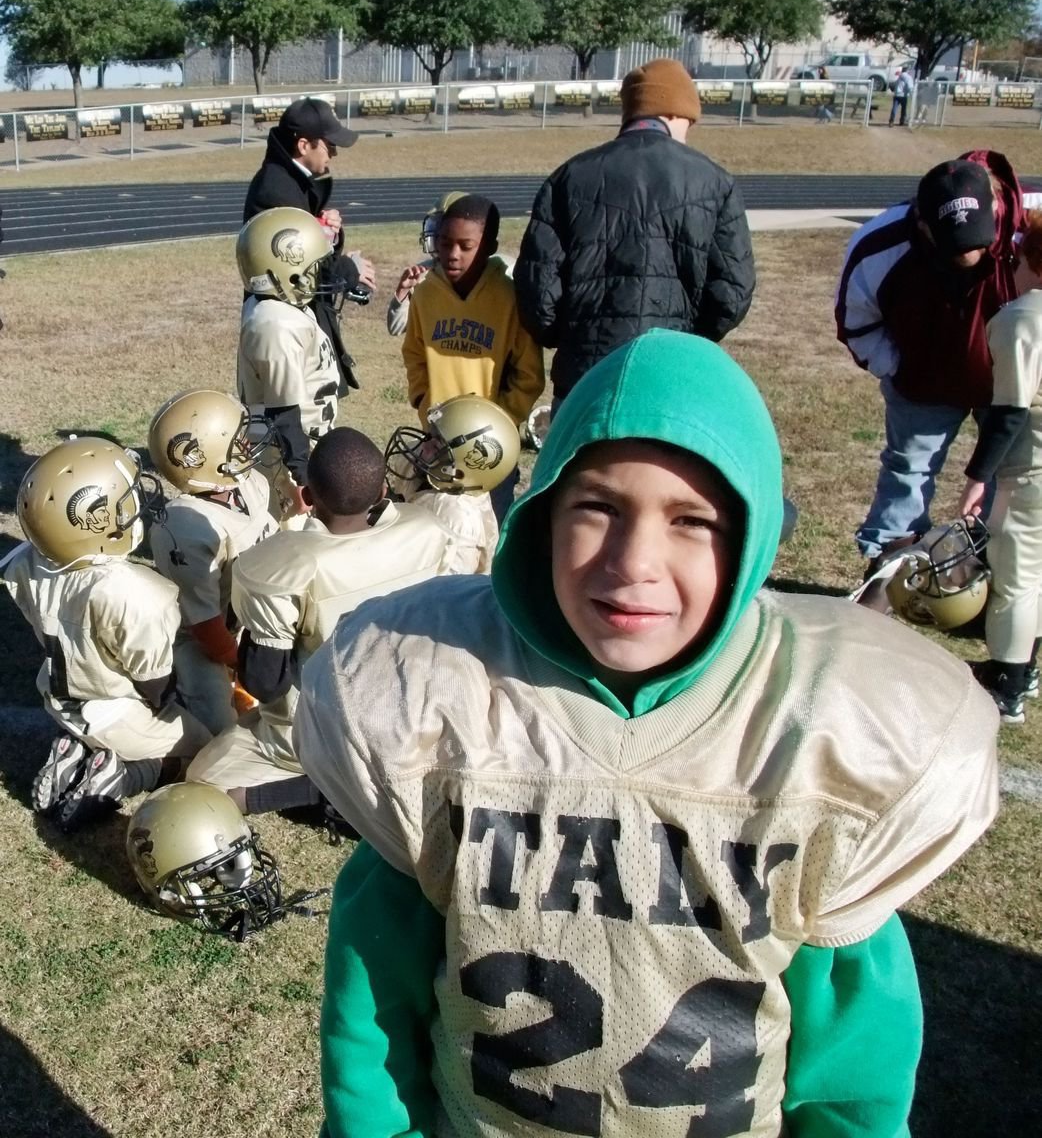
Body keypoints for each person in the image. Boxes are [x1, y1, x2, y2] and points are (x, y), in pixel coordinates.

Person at [295, 328, 998, 1138]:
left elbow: (851, 1068)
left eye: (691, 521)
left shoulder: (818, 742)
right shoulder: (443, 706)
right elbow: (374, 997)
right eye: (597, 506)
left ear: (752, 537)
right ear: (543, 512)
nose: (635, 562)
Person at [185, 427, 456, 816]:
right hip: (414, 712)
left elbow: (265, 682)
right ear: (382, 493)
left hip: (325, 732)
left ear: (308, 498)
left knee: (205, 778)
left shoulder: (281, 564)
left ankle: (317, 792)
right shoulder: (427, 530)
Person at [514, 57, 755, 406]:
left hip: (584, 376)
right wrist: (686, 339)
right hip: (671, 373)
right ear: (674, 113)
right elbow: (731, 294)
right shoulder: (715, 182)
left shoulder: (569, 177)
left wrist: (569, 337)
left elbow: (537, 294)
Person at [2, 437, 211, 830]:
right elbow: (154, 684)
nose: (135, 506)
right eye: (124, 499)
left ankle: (78, 750)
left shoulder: (29, 561)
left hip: (59, 695)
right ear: (97, 521)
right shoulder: (131, 592)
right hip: (116, 713)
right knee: (210, 753)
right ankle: (121, 776)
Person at [836, 152, 1025, 566]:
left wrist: (1026, 375)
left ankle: (992, 566)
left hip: (1010, 383)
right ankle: (891, 563)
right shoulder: (879, 246)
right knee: (908, 470)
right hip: (924, 380)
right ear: (922, 224)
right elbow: (857, 325)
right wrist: (900, 367)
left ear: (996, 209)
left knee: (1009, 475)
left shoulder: (1030, 234)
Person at [402, 193, 544, 523]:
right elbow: (414, 355)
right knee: (441, 528)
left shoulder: (510, 297)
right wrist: (425, 403)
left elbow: (529, 375)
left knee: (490, 535)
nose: (452, 254)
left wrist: (497, 426)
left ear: (489, 245)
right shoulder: (425, 293)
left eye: (466, 246)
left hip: (489, 450)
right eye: (445, 242)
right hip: (438, 440)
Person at [148, 390, 278, 735]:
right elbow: (203, 624)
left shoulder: (248, 483)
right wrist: (243, 666)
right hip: (204, 638)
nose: (247, 444)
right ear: (203, 457)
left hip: (251, 615)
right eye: (236, 440)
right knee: (220, 735)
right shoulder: (184, 527)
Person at [957, 211, 1042, 721]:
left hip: (1031, 466)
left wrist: (977, 478)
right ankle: (1024, 666)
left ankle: (1009, 680)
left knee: (1017, 571)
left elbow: (1010, 410)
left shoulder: (1022, 319)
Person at [243, 96, 376, 393]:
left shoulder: (290, 181)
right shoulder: (276, 190)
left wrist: (328, 232)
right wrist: (348, 269)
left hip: (292, 317)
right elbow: (294, 264)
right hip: (283, 324)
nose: (334, 154)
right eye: (329, 146)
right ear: (304, 146)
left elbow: (304, 243)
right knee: (298, 410)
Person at [236, 207, 345, 523]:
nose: (319, 273)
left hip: (303, 442)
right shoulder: (276, 324)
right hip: (286, 454)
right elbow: (284, 414)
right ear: (286, 268)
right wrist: (302, 475)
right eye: (312, 266)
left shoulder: (281, 307)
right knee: (293, 543)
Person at [384, 395, 522, 574]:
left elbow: (445, 592)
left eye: (438, 444)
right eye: (431, 435)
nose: (425, 446)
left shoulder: (458, 519)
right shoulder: (424, 466)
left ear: (465, 467)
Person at [387, 190, 518, 338]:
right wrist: (402, 294)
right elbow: (395, 327)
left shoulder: (503, 270)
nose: (435, 235)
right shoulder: (424, 274)